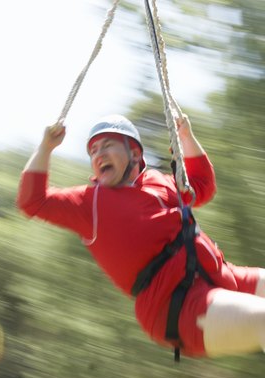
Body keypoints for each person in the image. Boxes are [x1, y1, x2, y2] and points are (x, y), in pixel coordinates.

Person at [17, 114, 265, 359]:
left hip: (219, 274)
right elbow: (32, 201)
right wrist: (46, 147)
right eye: (93, 151)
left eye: (107, 145)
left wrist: (186, 137)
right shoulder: (89, 203)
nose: (98, 155)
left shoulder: (157, 183)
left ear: (135, 154)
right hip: (177, 306)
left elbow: (202, 186)